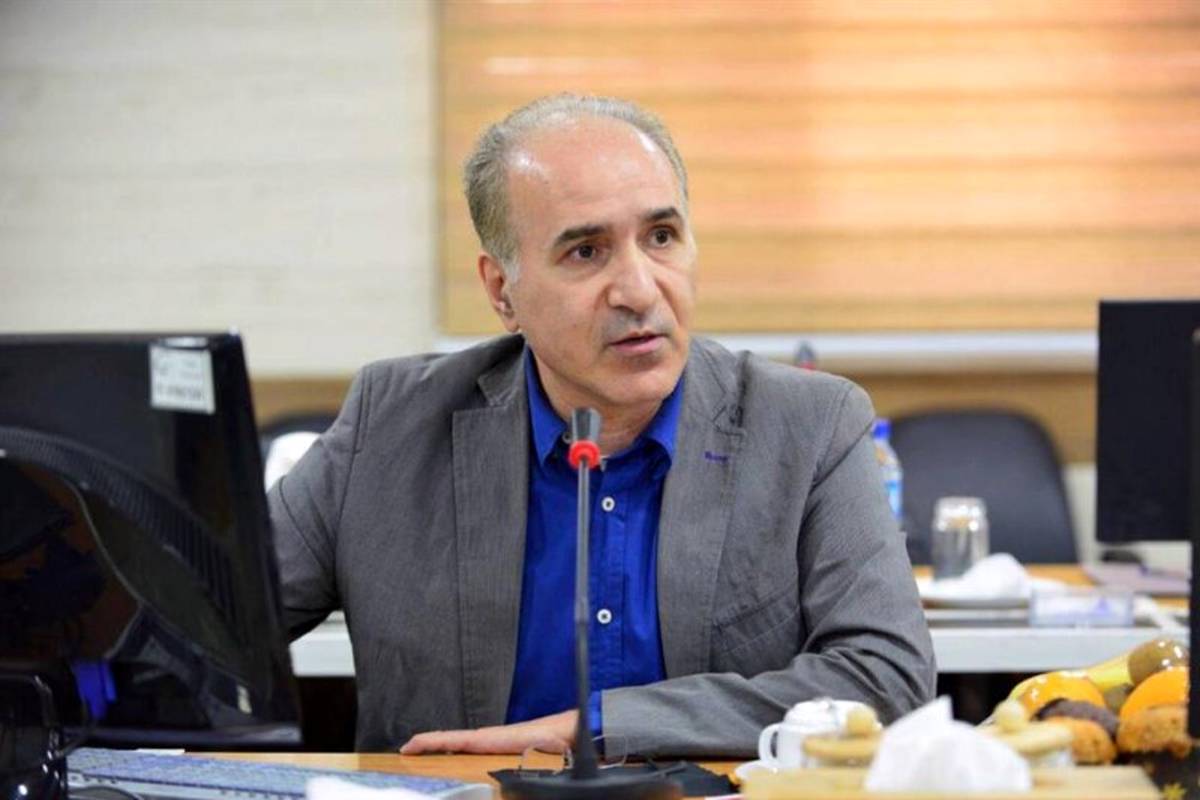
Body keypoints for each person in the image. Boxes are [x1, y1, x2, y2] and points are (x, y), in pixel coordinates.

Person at [268, 93, 935, 757]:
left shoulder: (808, 427)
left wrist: (596, 726)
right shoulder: (391, 425)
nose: (639, 290)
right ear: (502, 291)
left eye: (661, 237)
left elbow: (884, 678)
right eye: (586, 252)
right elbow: (216, 635)